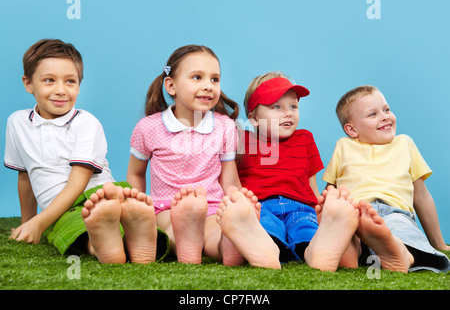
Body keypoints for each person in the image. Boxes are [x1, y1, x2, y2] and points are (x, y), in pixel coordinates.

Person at [5, 39, 168, 264]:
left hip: (103, 193)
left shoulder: (86, 123)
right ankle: (117, 240)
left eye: (70, 81)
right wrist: (28, 222)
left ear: (79, 85)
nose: (60, 90)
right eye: (49, 80)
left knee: (87, 220)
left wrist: (40, 223)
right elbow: (25, 177)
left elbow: (77, 184)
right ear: (28, 83)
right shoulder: (17, 123)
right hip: (69, 209)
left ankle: (124, 233)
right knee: (81, 224)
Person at [126, 45, 280, 269]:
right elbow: (135, 173)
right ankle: (165, 236)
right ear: (171, 86)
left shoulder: (225, 126)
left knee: (217, 231)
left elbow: (229, 179)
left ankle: (229, 243)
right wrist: (139, 205)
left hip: (212, 208)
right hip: (167, 209)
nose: (208, 86)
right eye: (197, 77)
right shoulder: (149, 127)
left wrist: (237, 201)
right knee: (170, 227)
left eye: (215, 79)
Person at [238, 71, 360, 272]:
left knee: (306, 228)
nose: (288, 113)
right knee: (263, 228)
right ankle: (269, 249)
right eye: (277, 107)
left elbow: (311, 185)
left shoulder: (305, 139)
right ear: (254, 118)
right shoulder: (243, 140)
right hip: (261, 207)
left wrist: (319, 210)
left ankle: (316, 250)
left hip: (301, 207)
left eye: (293, 106)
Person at [322, 85, 450, 273]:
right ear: (352, 129)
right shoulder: (343, 146)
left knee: (403, 232)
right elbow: (330, 190)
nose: (385, 116)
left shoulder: (404, 143)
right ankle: (355, 249)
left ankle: (397, 251)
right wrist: (330, 213)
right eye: (372, 114)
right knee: (345, 227)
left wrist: (439, 243)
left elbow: (421, 197)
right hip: (354, 212)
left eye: (386, 109)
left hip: (395, 212)